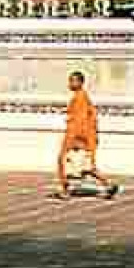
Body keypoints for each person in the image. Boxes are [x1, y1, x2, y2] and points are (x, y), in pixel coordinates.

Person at [54, 70, 120, 200]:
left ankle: (65, 190)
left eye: (73, 81)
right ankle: (109, 184)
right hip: (85, 136)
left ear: (81, 82)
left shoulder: (80, 97)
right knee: (88, 167)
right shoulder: (80, 97)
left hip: (78, 136)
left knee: (62, 160)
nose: (70, 83)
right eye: (70, 80)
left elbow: (81, 120)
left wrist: (76, 141)